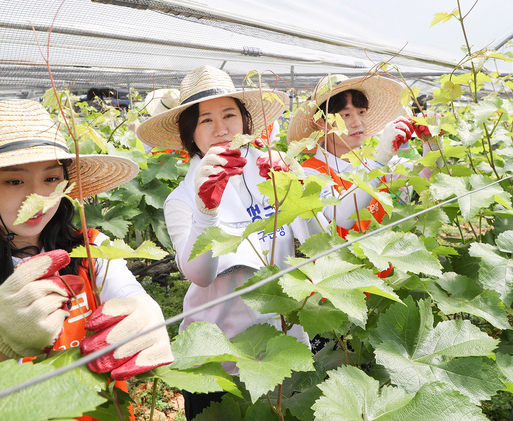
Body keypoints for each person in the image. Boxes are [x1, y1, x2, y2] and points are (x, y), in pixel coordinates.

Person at [0, 100, 174, 419]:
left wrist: (145, 312)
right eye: (14, 181)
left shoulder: (93, 250)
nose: (37, 198)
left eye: (51, 179)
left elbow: (128, 296)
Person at [137, 65, 327, 419]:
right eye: (205, 120)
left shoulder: (275, 169)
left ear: (245, 121)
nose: (221, 128)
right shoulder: (182, 198)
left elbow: (318, 241)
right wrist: (205, 210)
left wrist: (296, 185)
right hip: (220, 348)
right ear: (190, 133)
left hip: (282, 337)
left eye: (229, 114)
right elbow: (200, 275)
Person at [287, 74, 439, 238]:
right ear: (322, 123)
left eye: (361, 112)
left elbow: (425, 177)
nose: (357, 122)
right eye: (345, 115)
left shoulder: (374, 160)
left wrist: (432, 142)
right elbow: (342, 219)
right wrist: (379, 161)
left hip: (383, 261)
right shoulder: (309, 174)